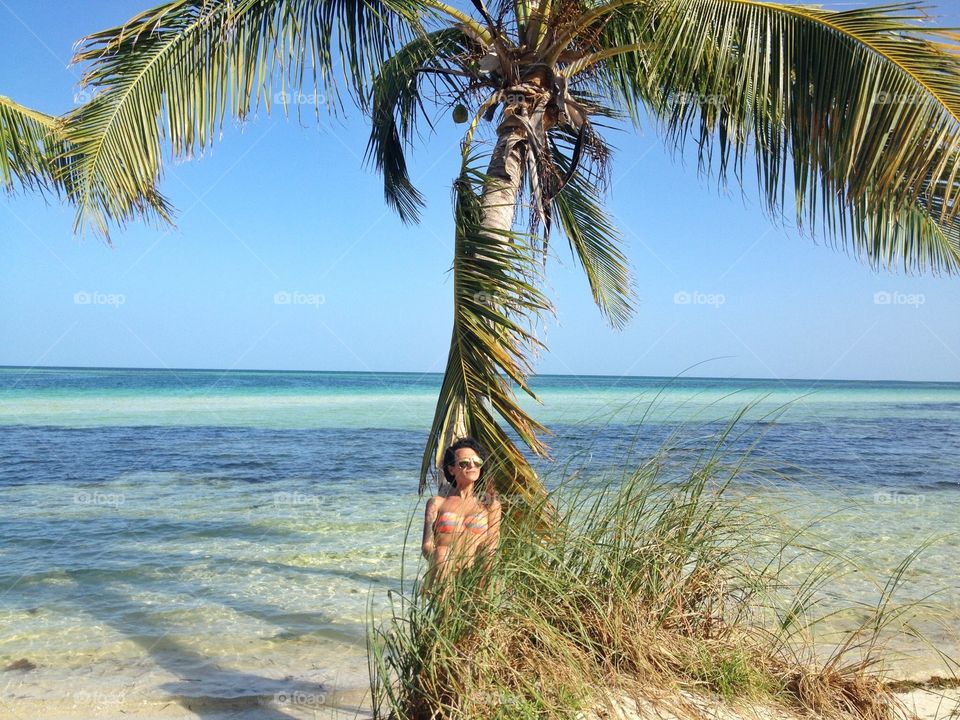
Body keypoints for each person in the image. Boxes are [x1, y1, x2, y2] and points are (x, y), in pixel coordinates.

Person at [421, 437, 502, 594]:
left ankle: (480, 601)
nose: (472, 466)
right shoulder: (436, 503)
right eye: (464, 463)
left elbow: (493, 542)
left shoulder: (491, 505)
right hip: (442, 572)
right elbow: (426, 546)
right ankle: (444, 608)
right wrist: (440, 557)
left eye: (477, 462)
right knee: (442, 552)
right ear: (451, 469)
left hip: (475, 573)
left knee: (490, 552)